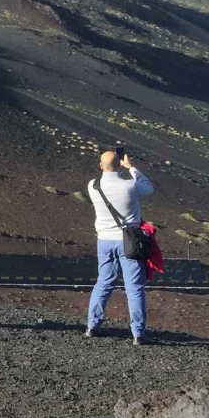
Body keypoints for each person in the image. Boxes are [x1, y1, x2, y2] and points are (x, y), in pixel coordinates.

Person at [85, 148, 155, 345]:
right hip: (128, 241)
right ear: (119, 166)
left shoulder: (93, 185)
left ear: (100, 166)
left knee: (103, 282)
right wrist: (130, 167)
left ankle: (92, 326)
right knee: (134, 288)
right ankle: (138, 333)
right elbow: (148, 188)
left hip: (104, 240)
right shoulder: (129, 186)